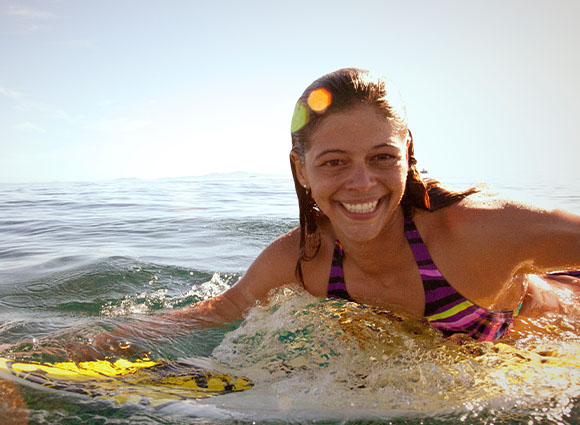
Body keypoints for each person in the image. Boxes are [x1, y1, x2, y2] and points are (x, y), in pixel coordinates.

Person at [3, 68, 578, 357]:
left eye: (382, 157)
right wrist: (43, 356)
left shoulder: (479, 232)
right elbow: (207, 315)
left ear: (408, 158)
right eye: (333, 162)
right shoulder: (302, 261)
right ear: (301, 170)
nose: (363, 183)